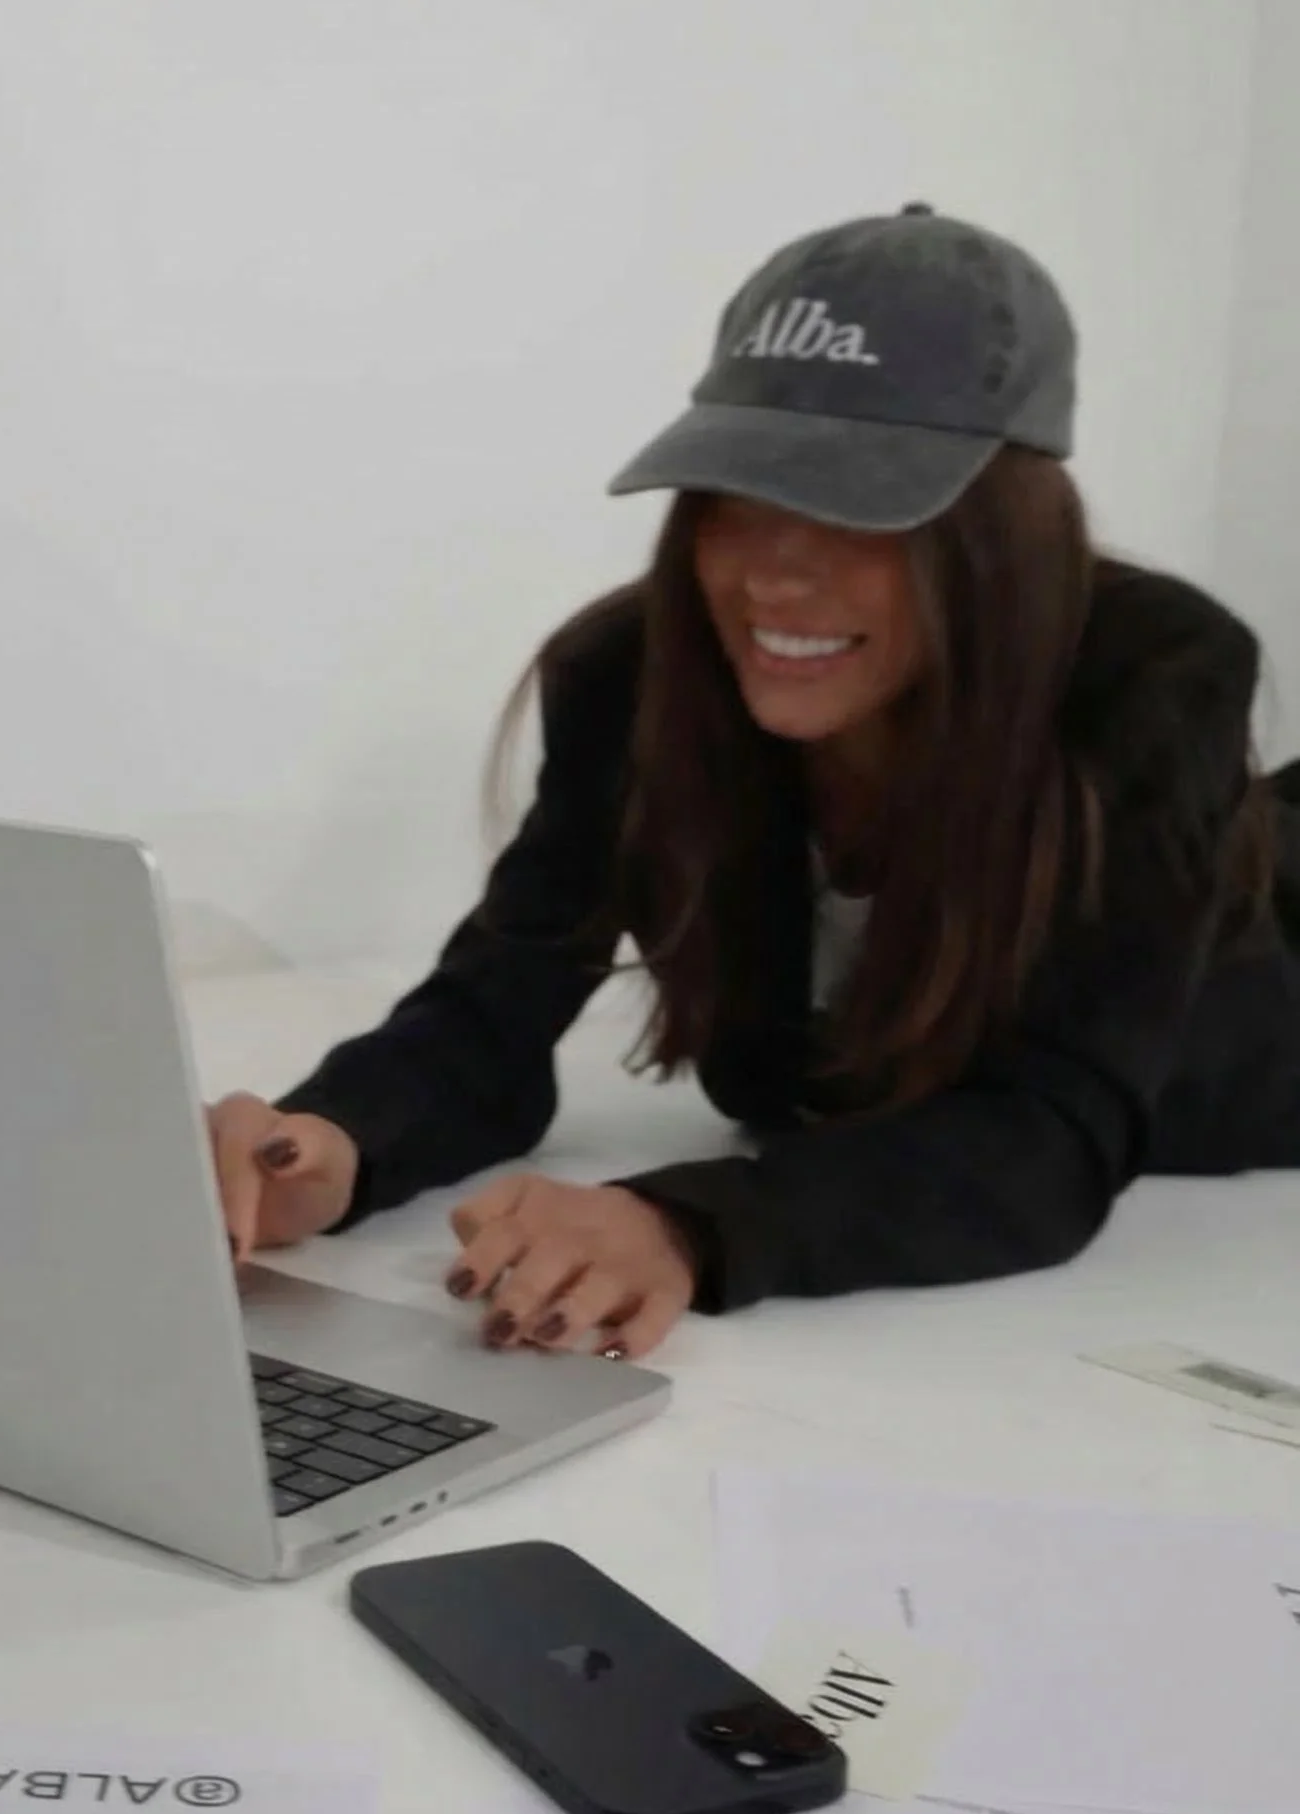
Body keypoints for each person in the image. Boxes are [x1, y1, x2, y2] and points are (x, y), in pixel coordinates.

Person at [209, 205, 1300, 1360]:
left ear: (999, 535)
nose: (774, 578)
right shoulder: (638, 671)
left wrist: (684, 1226)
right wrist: (326, 1143)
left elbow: (1045, 1136)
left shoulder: (1152, 673)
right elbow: (492, 1016)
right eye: (736, 504)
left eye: (856, 513)